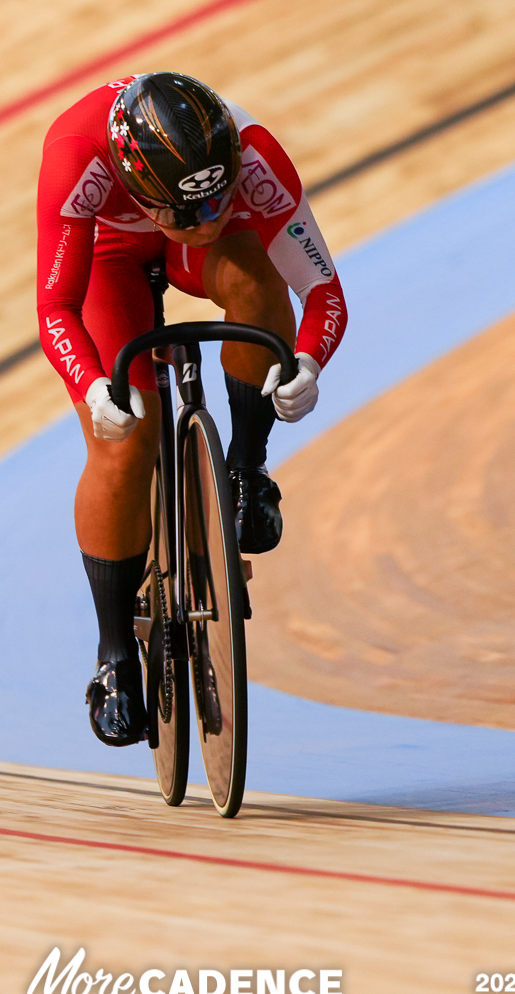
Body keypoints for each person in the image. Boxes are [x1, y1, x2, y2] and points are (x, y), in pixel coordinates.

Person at [34, 72, 348, 746]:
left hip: (174, 244)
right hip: (112, 255)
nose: (206, 222)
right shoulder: (76, 157)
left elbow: (323, 291)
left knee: (256, 286)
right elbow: (56, 306)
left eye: (217, 202)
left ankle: (246, 471)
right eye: (189, 212)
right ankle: (114, 657)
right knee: (123, 443)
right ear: (140, 188)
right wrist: (93, 386)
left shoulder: (252, 152)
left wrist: (309, 362)